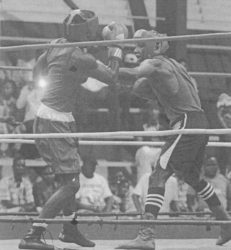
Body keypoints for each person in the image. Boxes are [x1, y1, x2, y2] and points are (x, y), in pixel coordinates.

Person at [19, 9, 128, 250]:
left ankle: (69, 229)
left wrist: (67, 77)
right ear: (88, 31)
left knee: (70, 178)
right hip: (54, 121)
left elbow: (39, 69)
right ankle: (32, 235)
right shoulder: (82, 58)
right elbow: (111, 77)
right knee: (71, 185)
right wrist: (118, 47)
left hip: (56, 117)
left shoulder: (57, 44)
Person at [116, 29, 231, 249]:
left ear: (153, 46)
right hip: (198, 120)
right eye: (134, 47)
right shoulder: (172, 66)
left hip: (186, 122)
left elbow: (133, 74)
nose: (137, 51)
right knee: (192, 177)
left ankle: (146, 235)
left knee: (159, 173)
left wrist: (110, 62)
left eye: (140, 46)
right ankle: (226, 223)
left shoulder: (155, 64)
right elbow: (148, 90)